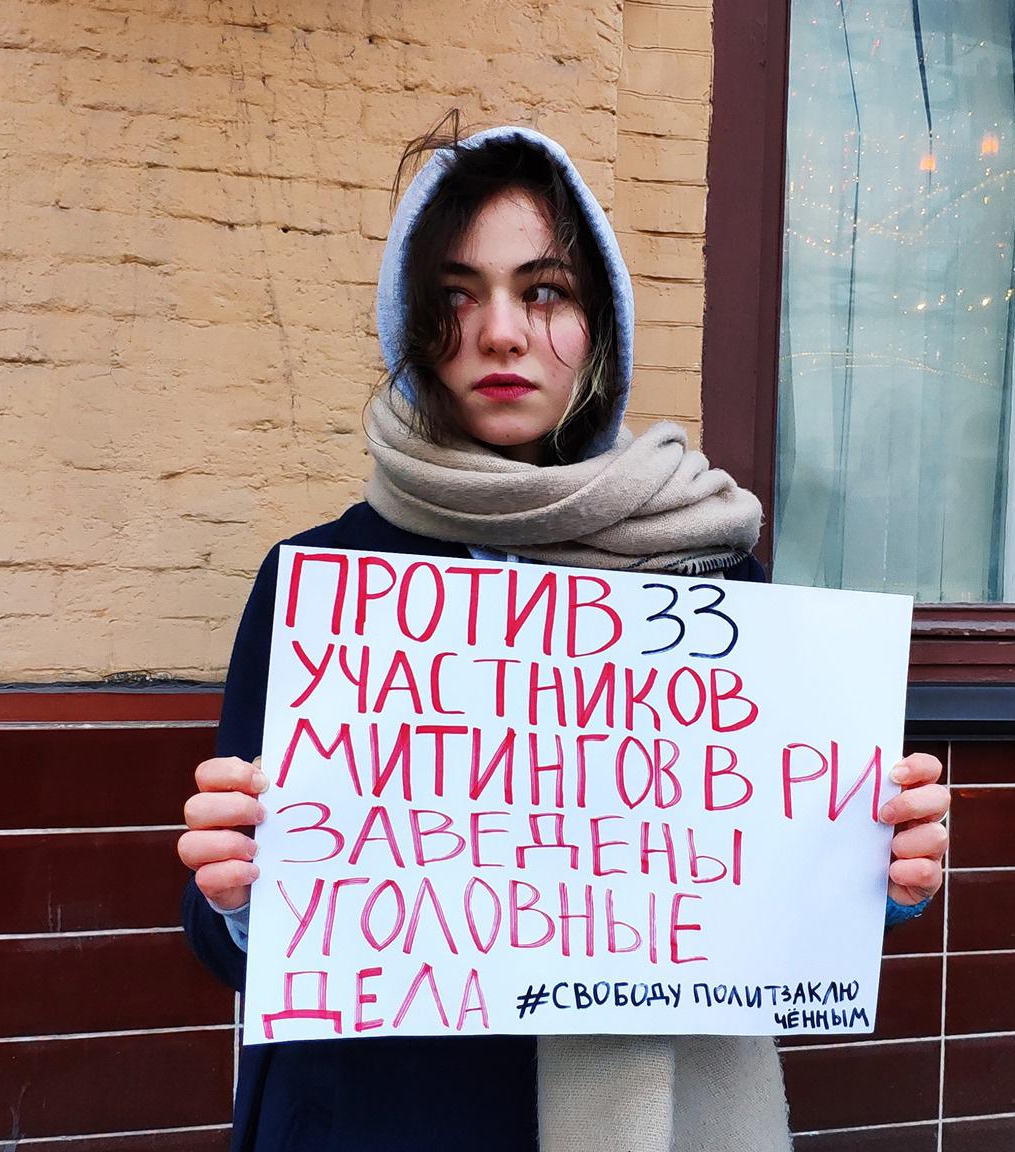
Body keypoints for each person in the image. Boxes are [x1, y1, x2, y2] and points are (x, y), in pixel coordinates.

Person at [176, 119, 952, 1152]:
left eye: (544, 290)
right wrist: (234, 889)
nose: (500, 332)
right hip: (379, 1116)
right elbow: (229, 947)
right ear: (413, 325)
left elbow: (769, 897)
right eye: (457, 295)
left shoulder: (712, 579)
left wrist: (876, 873)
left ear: (601, 326)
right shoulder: (324, 591)